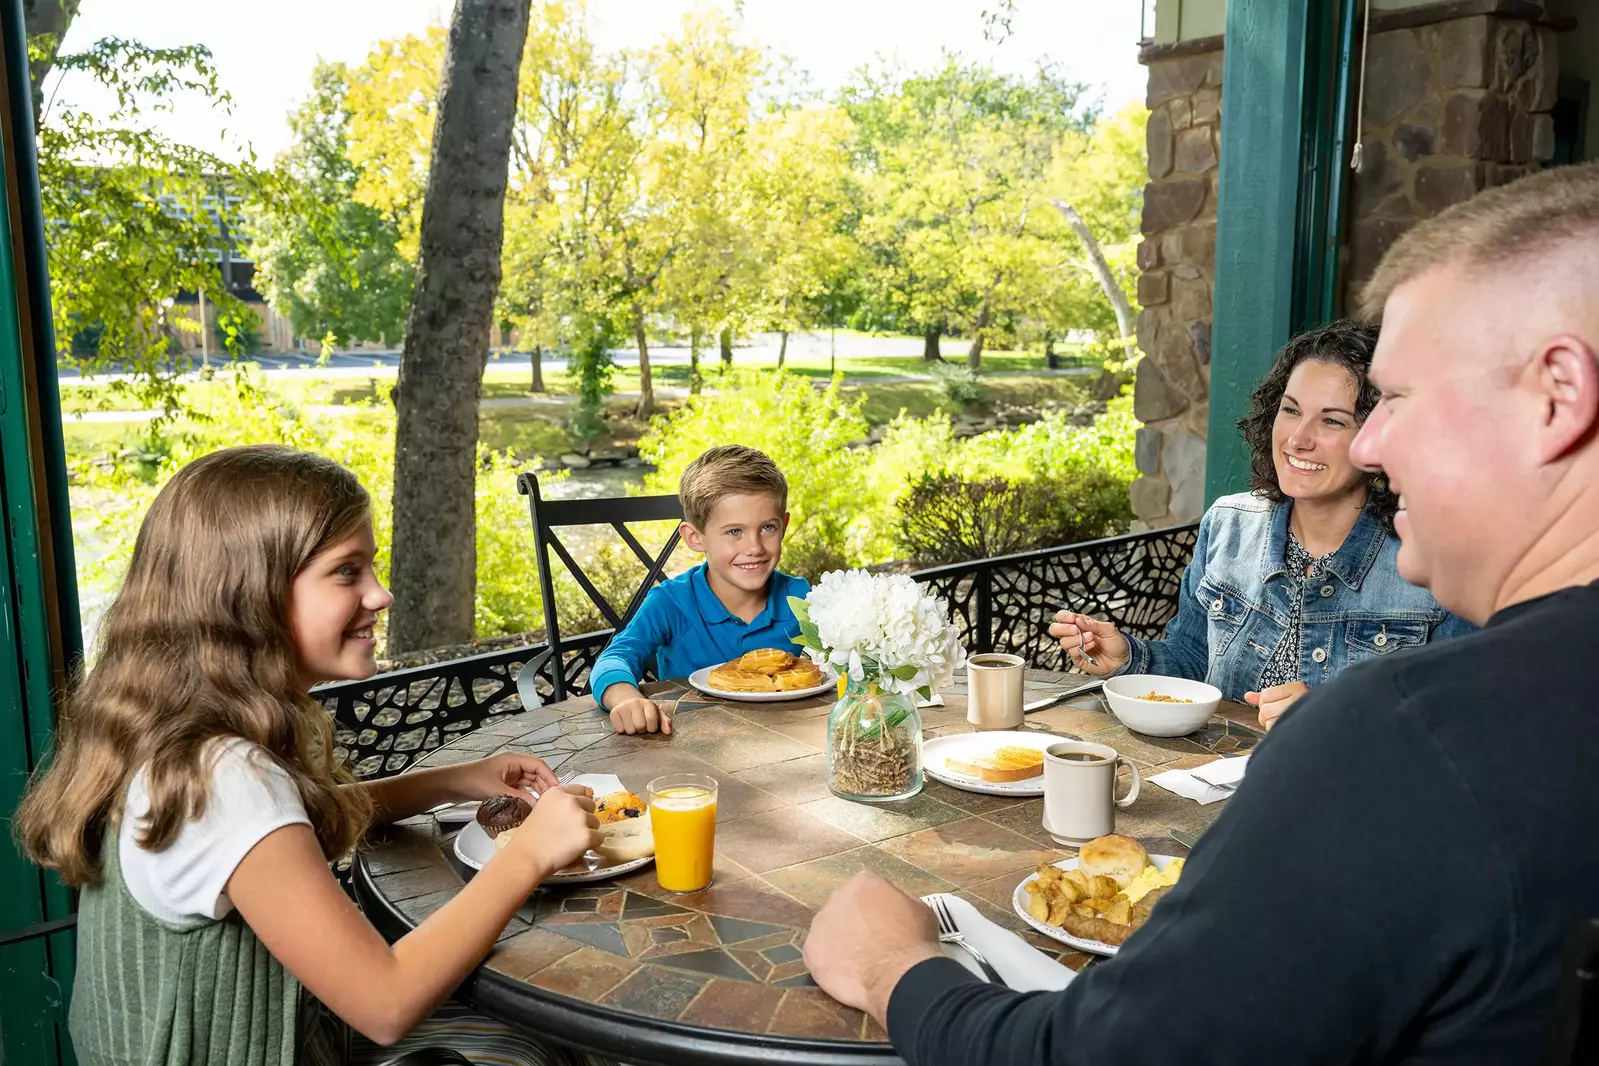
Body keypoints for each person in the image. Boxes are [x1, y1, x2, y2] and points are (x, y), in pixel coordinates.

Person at [802, 162, 1599, 1063]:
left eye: (1399, 399)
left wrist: (892, 967)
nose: (1370, 444)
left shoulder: (1404, 737)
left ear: (1558, 395)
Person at [15, 446, 608, 1066]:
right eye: (347, 572)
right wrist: (529, 854)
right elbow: (387, 1003)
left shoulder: (174, 735)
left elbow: (285, 830)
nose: (381, 594)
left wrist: (455, 780)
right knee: (550, 1046)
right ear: (248, 595)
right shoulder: (223, 779)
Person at [1049, 321, 1471, 730]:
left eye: (1332, 420)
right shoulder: (1229, 524)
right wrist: (1129, 658)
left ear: (1383, 438)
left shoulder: (1432, 562)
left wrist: (1340, 719)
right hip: (1217, 777)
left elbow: (1460, 725)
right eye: (1291, 410)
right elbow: (1193, 663)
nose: (1298, 439)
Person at [590, 444, 809, 735]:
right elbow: (615, 658)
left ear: (784, 525)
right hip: (692, 743)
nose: (754, 547)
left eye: (768, 528)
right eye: (735, 531)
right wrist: (627, 699)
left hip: (790, 738)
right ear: (695, 537)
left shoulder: (803, 598)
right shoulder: (671, 602)